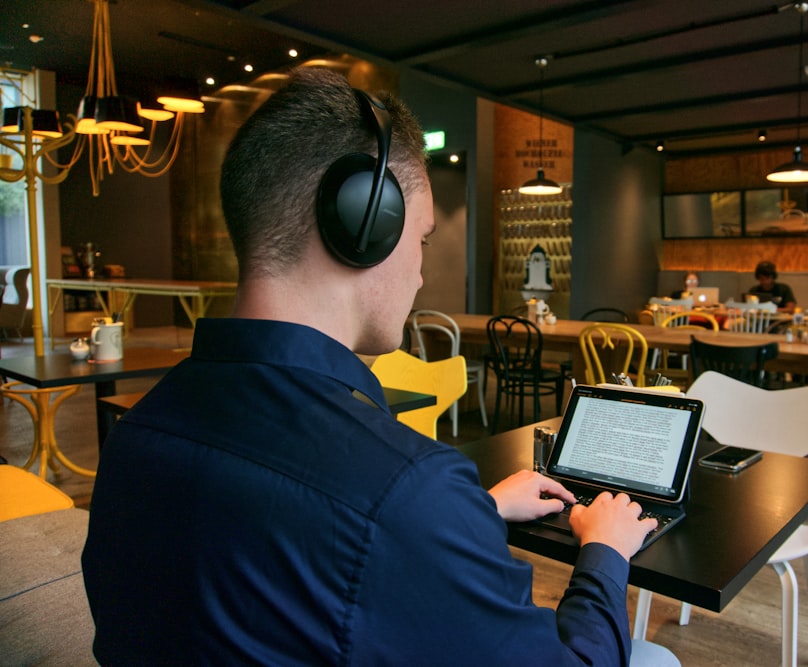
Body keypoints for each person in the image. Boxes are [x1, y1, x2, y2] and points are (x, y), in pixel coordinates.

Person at [82, 67, 658, 665]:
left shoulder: (136, 436)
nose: (421, 271)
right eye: (424, 239)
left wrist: (469, 515)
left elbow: (290, 549)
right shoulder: (411, 488)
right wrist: (606, 554)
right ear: (363, 224)